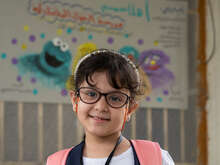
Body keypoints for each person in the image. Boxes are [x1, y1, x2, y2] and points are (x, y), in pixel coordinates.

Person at [46, 48, 175, 165]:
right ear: (75, 101)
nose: (101, 107)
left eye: (115, 98)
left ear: (129, 109)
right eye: (91, 94)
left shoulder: (156, 158)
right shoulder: (57, 162)